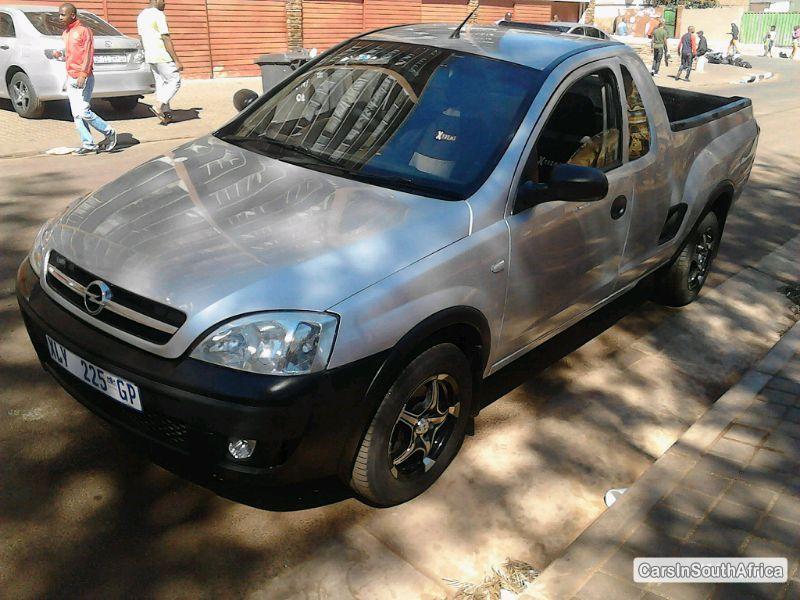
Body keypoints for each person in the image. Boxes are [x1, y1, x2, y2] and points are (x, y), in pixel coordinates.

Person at [55, 3, 117, 155]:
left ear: (72, 15)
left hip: (84, 77)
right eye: (59, 14)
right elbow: (70, 55)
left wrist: (83, 74)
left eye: (63, 14)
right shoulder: (66, 33)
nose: (60, 17)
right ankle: (88, 144)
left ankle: (109, 132)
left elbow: (88, 54)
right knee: (76, 114)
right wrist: (60, 55)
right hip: (71, 77)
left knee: (83, 111)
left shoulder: (84, 31)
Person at [137, 0, 183, 124]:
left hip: (150, 56)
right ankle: (159, 105)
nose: (164, 3)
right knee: (174, 81)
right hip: (162, 55)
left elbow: (141, 38)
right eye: (163, 1)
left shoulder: (141, 15)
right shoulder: (158, 14)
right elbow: (165, 37)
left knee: (161, 83)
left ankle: (166, 114)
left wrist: (146, 53)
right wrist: (176, 60)